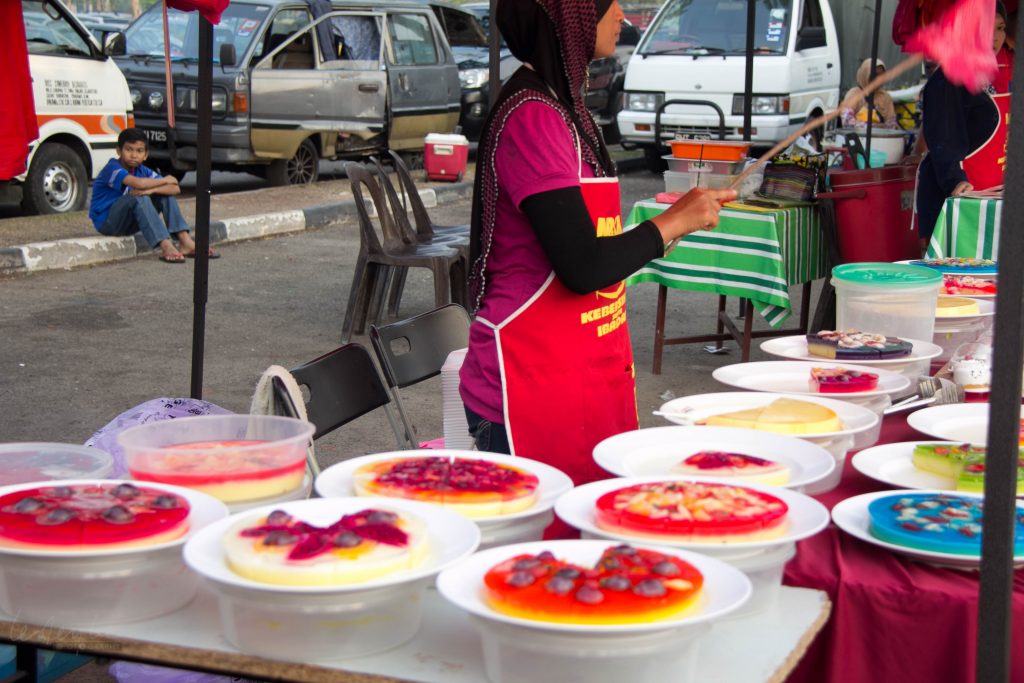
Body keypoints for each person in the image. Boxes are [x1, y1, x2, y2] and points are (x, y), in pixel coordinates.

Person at [459, 0, 735, 485]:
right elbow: (583, 266)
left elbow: (592, 248)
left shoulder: (564, 109)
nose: (622, 14)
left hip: (583, 371)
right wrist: (672, 223)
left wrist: (679, 221)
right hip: (529, 382)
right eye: (609, 2)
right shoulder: (533, 117)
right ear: (572, 13)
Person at [914, 1, 1010, 246]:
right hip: (955, 197)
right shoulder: (948, 79)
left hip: (988, 195)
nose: (994, 37)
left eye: (1000, 28)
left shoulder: (990, 75)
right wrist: (955, 180)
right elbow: (943, 138)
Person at [88, 128, 217, 263]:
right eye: (129, 150)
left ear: (146, 155)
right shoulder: (112, 168)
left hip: (129, 223)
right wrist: (166, 180)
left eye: (139, 151)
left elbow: (175, 188)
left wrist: (152, 190)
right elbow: (140, 183)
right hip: (108, 222)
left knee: (163, 194)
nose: (134, 155)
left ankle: (185, 241)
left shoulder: (142, 170)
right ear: (119, 151)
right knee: (139, 196)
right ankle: (166, 246)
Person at [841, 58, 898, 129]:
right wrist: (870, 127)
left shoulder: (885, 97)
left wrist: (882, 127)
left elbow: (892, 123)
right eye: (875, 75)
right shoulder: (854, 94)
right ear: (865, 75)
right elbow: (847, 121)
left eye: (881, 75)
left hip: (881, 135)